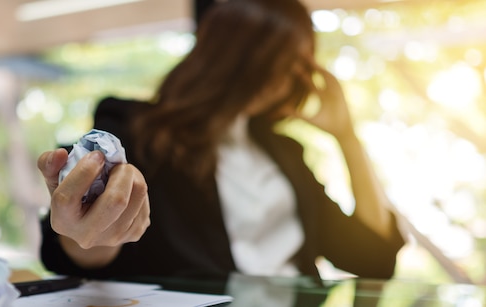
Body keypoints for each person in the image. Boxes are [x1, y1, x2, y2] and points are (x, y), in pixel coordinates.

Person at [36, 0, 405, 281]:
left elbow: (373, 258)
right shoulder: (136, 129)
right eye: (293, 57)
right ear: (243, 56)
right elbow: (84, 249)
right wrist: (83, 233)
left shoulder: (286, 153)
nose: (300, 74)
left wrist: (347, 137)